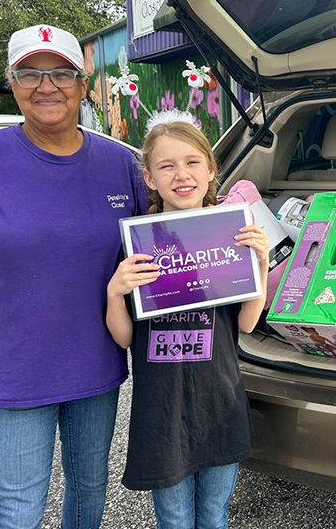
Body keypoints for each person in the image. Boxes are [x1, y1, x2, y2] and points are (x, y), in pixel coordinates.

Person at [0, 24, 147, 529]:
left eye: (61, 74)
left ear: (83, 83)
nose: (46, 86)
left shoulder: (121, 165)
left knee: (89, 489)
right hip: (12, 367)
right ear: (13, 82)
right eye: (30, 73)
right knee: (18, 509)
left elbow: (162, 244)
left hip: (96, 365)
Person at [105, 110, 268, 529]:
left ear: (211, 170)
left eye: (193, 162)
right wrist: (115, 293)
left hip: (219, 403)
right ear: (149, 178)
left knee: (214, 516)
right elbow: (124, 338)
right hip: (162, 411)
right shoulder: (138, 244)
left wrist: (261, 266)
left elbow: (246, 324)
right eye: (166, 165)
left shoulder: (230, 237)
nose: (182, 174)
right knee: (174, 520)